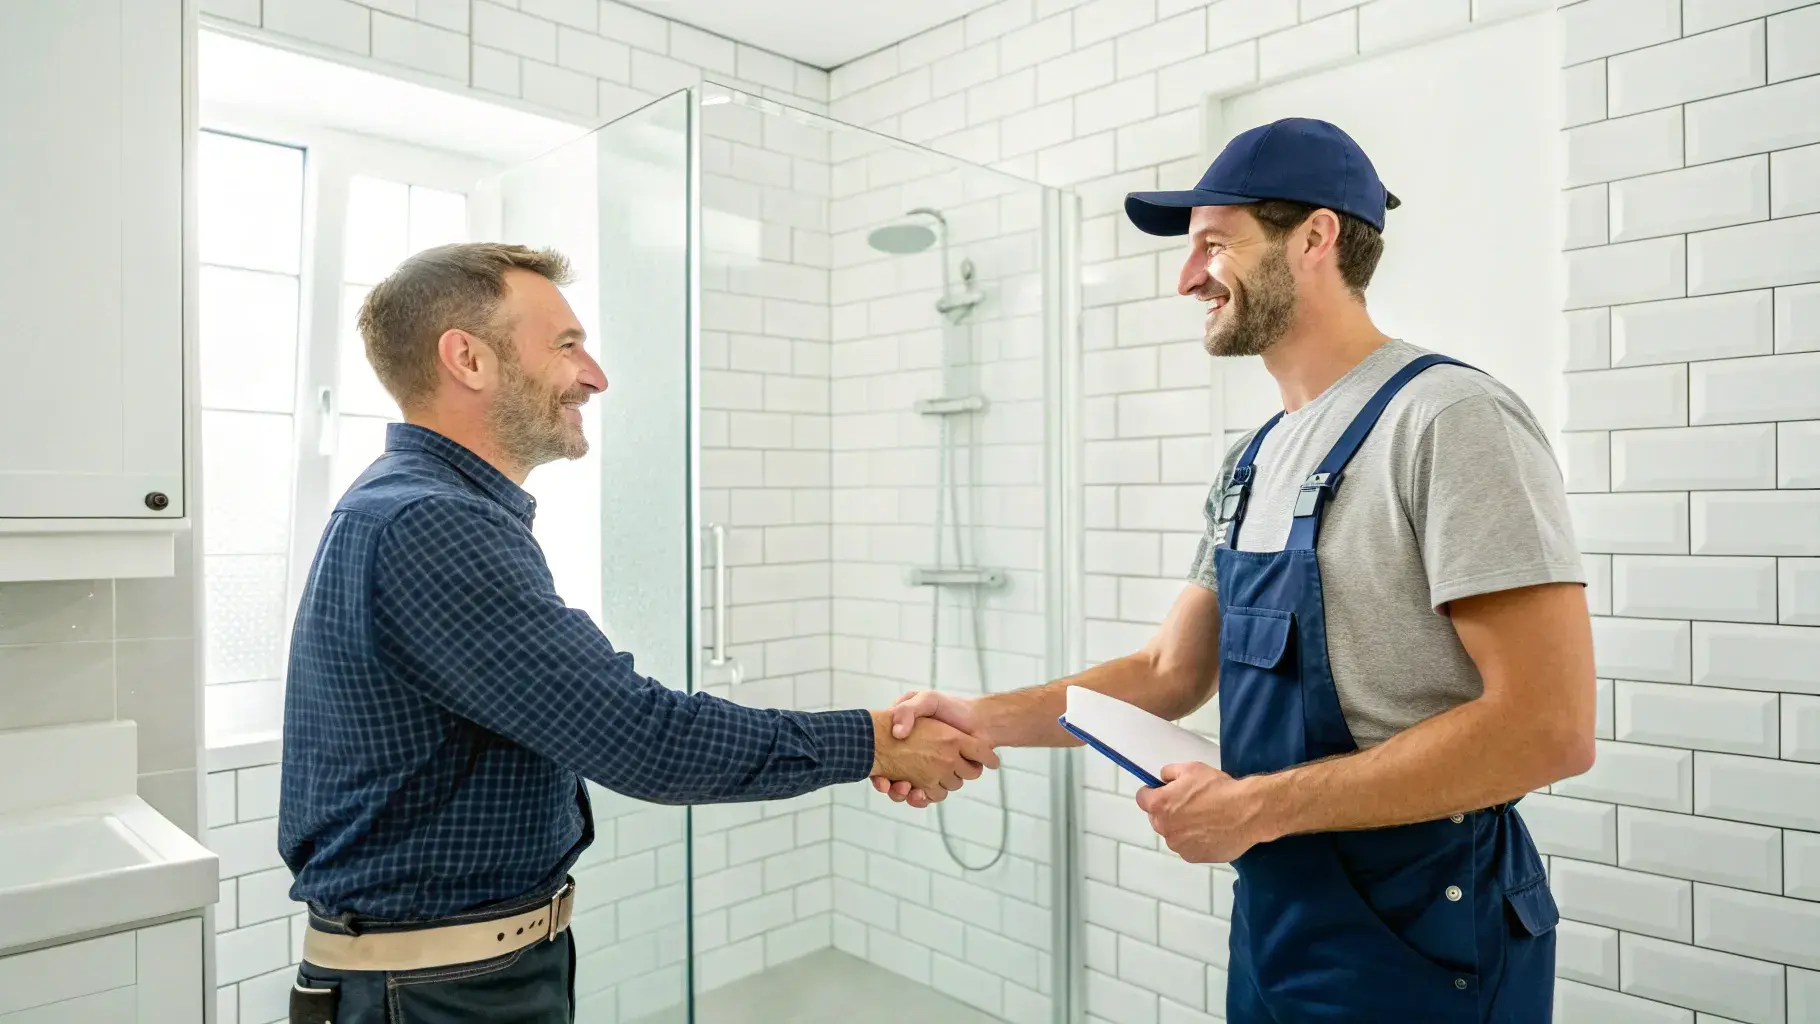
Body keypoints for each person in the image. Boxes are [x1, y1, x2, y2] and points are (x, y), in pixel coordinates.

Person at [876, 117, 1595, 1022]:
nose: (1186, 278)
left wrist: (1258, 808)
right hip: (1280, 908)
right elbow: (1171, 675)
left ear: (1316, 238)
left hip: (1426, 922)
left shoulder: (1450, 420)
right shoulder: (1250, 461)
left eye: (1214, 244)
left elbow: (1549, 726)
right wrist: (979, 717)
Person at [278, 243, 995, 1024]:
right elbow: (644, 738)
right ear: (468, 359)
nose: (594, 375)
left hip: (454, 976)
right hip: (432, 995)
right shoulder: (433, 523)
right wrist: (875, 742)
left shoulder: (424, 510)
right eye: (566, 346)